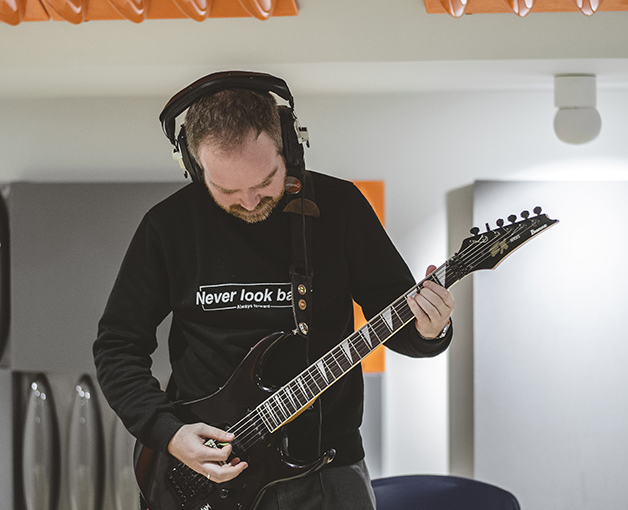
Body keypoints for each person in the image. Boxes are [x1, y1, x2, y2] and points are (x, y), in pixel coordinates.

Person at [93, 72, 454, 510]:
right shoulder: (168, 226)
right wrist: (167, 433)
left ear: (290, 148)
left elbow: (400, 321)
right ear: (194, 166)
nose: (249, 202)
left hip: (328, 469)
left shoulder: (339, 207)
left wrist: (430, 329)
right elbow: (117, 346)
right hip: (210, 474)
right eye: (226, 189)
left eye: (265, 182)